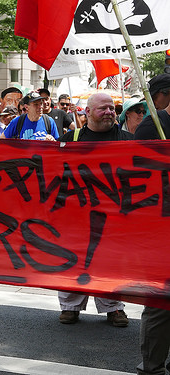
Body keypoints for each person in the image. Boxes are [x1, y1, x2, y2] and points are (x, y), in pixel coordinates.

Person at [57, 93, 133, 327]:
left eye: (112, 108)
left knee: (110, 260)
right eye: (103, 108)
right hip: (76, 213)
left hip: (114, 212)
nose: (110, 112)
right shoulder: (71, 139)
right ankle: (70, 307)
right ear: (87, 112)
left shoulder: (128, 139)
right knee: (74, 258)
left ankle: (114, 307)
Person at [134, 74, 170, 375]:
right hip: (161, 227)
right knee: (160, 301)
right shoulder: (152, 126)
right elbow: (138, 175)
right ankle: (152, 366)